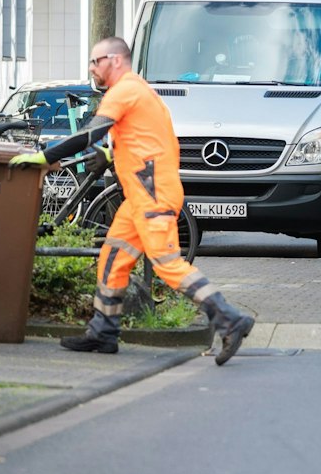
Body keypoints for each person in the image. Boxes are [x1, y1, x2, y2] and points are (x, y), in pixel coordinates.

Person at [13, 37, 255, 365]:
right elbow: (145, 138)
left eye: (95, 61)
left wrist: (43, 157)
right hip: (140, 193)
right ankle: (103, 331)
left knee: (168, 264)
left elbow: (88, 134)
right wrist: (110, 154)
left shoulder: (124, 90)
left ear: (114, 60)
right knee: (113, 257)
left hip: (151, 192)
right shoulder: (139, 91)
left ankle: (230, 319)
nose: (91, 68)